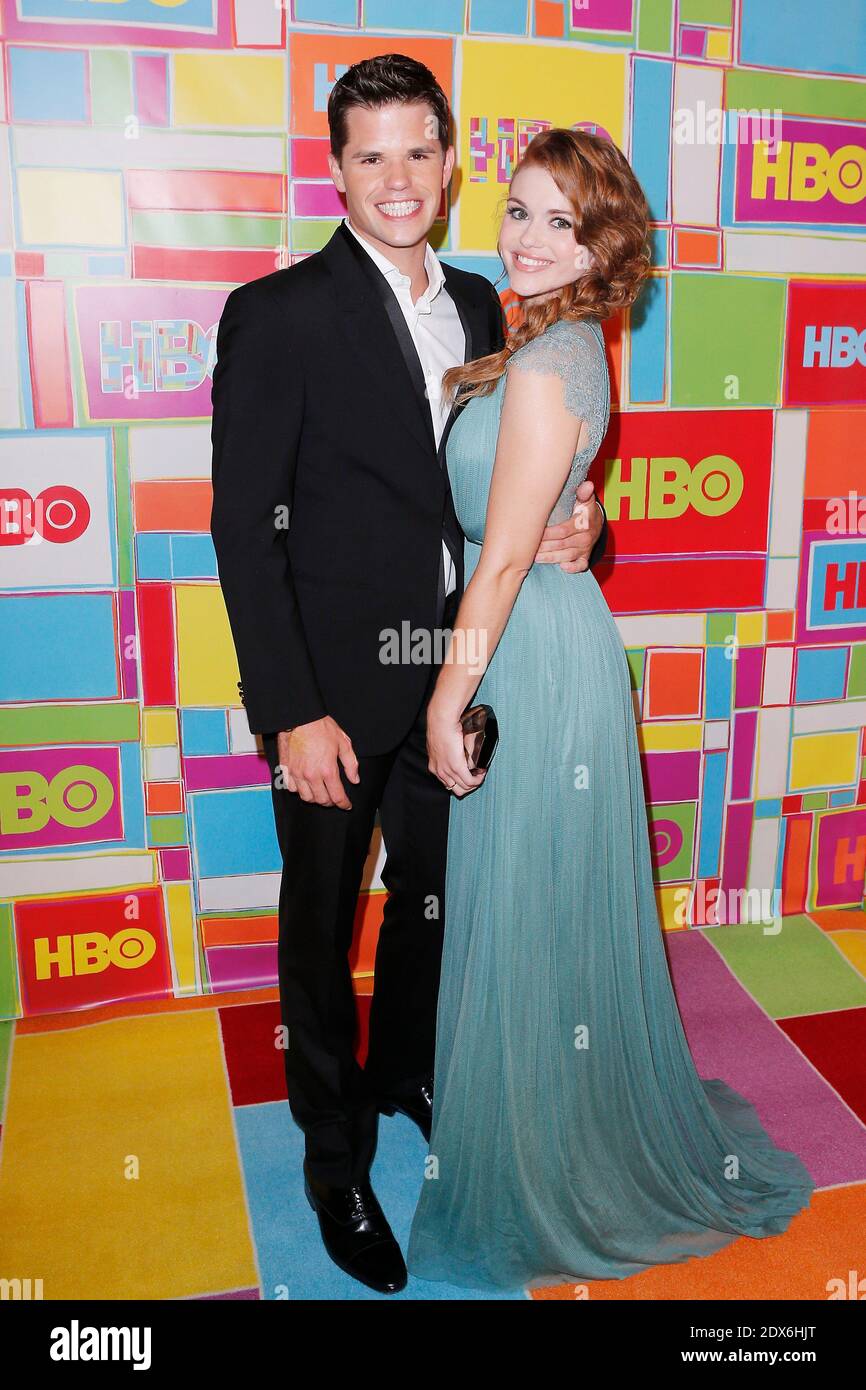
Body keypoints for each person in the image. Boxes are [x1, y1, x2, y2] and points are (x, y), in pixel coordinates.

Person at [209, 56, 607, 1295]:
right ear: (334, 169)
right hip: (331, 690)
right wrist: (289, 712)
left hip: (456, 674)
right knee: (322, 929)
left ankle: (408, 1073)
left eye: (418, 152)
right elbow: (240, 524)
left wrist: (578, 520)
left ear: (448, 162)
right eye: (367, 154)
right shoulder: (274, 312)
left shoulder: (492, 303)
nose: (396, 178)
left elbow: (519, 478)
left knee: (438, 903)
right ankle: (335, 1160)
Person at [407, 128, 816, 1291]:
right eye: (519, 211)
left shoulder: (548, 359)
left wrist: (448, 702)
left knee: (532, 910)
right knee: (533, 911)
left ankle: (554, 1164)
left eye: (560, 223)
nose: (528, 239)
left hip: (522, 659)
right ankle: (544, 1126)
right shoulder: (558, 340)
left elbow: (495, 568)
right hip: (541, 642)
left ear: (602, 245)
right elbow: (533, 520)